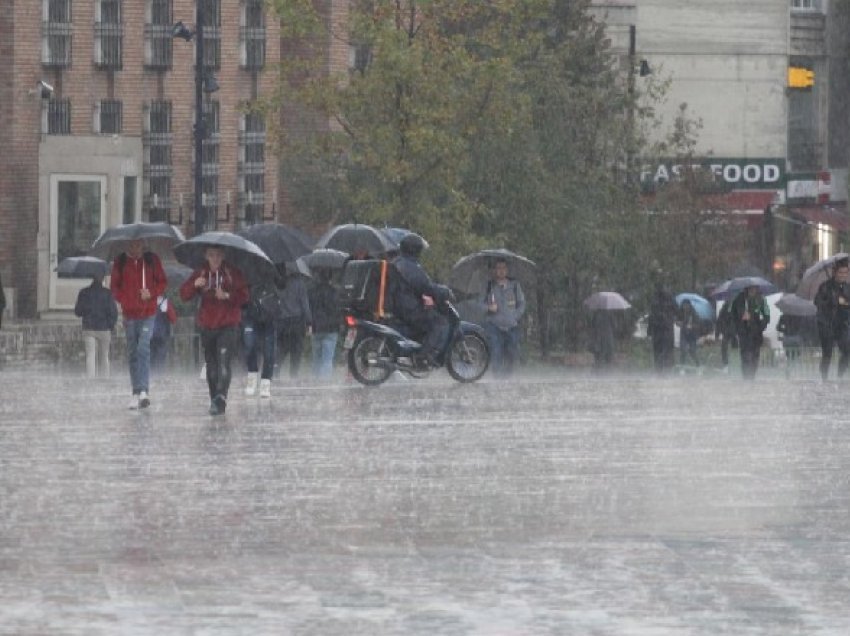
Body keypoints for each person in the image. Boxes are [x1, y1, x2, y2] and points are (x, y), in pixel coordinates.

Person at [180, 247, 249, 415]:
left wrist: (227, 296)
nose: (215, 259)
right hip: (207, 325)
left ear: (223, 256)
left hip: (228, 324)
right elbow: (184, 294)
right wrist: (195, 285)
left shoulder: (232, 272)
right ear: (206, 256)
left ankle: (221, 397)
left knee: (224, 362)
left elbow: (245, 296)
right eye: (211, 255)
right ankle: (214, 399)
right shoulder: (201, 273)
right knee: (211, 366)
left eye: (218, 255)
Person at [110, 239, 167, 410]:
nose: (135, 248)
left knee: (143, 348)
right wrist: (125, 300)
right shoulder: (120, 262)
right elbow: (114, 287)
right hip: (130, 315)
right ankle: (135, 391)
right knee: (133, 352)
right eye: (132, 245)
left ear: (143, 244)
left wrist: (150, 293)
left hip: (148, 313)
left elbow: (162, 282)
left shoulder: (152, 261)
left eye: (138, 245)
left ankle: (144, 391)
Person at [391, 233, 450, 367]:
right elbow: (426, 286)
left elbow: (411, 288)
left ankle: (414, 349)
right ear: (416, 250)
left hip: (398, 307)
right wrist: (445, 291)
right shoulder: (411, 267)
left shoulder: (396, 262)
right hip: (408, 310)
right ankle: (423, 356)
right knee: (439, 322)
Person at [242, 274, 286, 398]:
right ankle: (252, 375)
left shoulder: (275, 263)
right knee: (249, 345)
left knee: (269, 350)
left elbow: (282, 284)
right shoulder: (247, 263)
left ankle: (266, 381)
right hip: (251, 313)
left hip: (269, 315)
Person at [481, 258, 526, 376]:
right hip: (494, 325)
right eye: (498, 268)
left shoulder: (515, 285)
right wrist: (489, 308)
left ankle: (507, 377)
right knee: (496, 352)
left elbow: (522, 304)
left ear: (507, 270)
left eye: (503, 268)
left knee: (512, 353)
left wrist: (515, 316)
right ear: (494, 270)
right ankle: (496, 378)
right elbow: (479, 304)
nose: (501, 271)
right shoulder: (489, 286)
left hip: (512, 326)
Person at [74, 272, 118, 378]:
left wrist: (87, 310)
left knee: (90, 355)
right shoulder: (108, 293)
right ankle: (105, 378)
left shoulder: (84, 292)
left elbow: (77, 312)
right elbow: (113, 312)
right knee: (104, 356)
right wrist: (111, 326)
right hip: (104, 328)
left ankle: (91, 379)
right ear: (102, 278)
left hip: (89, 327)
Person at [813, 257, 850, 381]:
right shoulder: (825, 287)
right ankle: (824, 377)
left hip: (842, 324)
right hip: (826, 324)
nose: (843, 275)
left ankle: (840, 375)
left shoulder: (847, 288)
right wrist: (833, 300)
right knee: (827, 353)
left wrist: (845, 303)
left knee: (847, 350)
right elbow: (817, 301)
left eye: (845, 273)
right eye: (840, 272)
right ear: (835, 272)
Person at [276, 263, 312, 379]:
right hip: (297, 322)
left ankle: (275, 372)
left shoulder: (279, 284)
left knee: (282, 349)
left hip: (282, 322)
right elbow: (305, 305)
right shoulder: (299, 284)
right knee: (296, 351)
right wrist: (309, 322)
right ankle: (293, 375)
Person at [730, 285, 770, 380]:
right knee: (746, 355)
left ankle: (752, 375)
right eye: (751, 289)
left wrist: (760, 326)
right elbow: (733, 315)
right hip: (744, 332)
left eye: (755, 288)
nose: (753, 290)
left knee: (755, 355)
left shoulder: (761, 300)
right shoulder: (739, 299)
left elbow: (767, 316)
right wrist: (741, 319)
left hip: (756, 333)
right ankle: (746, 376)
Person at [308, 267, 341, 380]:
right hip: (331, 328)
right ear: (330, 278)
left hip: (316, 327)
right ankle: (325, 382)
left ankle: (316, 379)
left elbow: (310, 309)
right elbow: (337, 310)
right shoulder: (335, 292)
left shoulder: (312, 292)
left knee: (316, 357)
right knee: (327, 358)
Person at [647, 281, 677, 373]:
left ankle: (660, 370)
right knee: (666, 351)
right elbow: (677, 311)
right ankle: (664, 370)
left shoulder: (655, 302)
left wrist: (649, 331)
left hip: (659, 331)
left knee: (659, 351)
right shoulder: (670, 300)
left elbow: (651, 317)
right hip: (665, 330)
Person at [150, 294, 177, 372]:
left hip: (149, 334)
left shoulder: (147, 301)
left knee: (150, 357)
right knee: (161, 357)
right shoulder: (165, 302)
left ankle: (150, 376)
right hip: (162, 335)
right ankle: (159, 376)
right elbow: (173, 319)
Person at [714, 300, 737, 372]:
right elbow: (718, 322)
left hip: (735, 332)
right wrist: (717, 335)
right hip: (726, 332)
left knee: (735, 348)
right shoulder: (723, 310)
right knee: (724, 348)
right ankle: (726, 365)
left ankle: (735, 365)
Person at [677, 299, 700, 367]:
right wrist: (678, 323)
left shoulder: (694, 313)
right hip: (683, 334)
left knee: (692, 351)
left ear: (689, 305)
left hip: (692, 335)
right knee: (683, 350)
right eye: (684, 305)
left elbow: (698, 325)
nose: (685, 307)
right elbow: (677, 321)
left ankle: (697, 364)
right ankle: (682, 366)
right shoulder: (680, 312)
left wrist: (692, 326)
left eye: (687, 305)